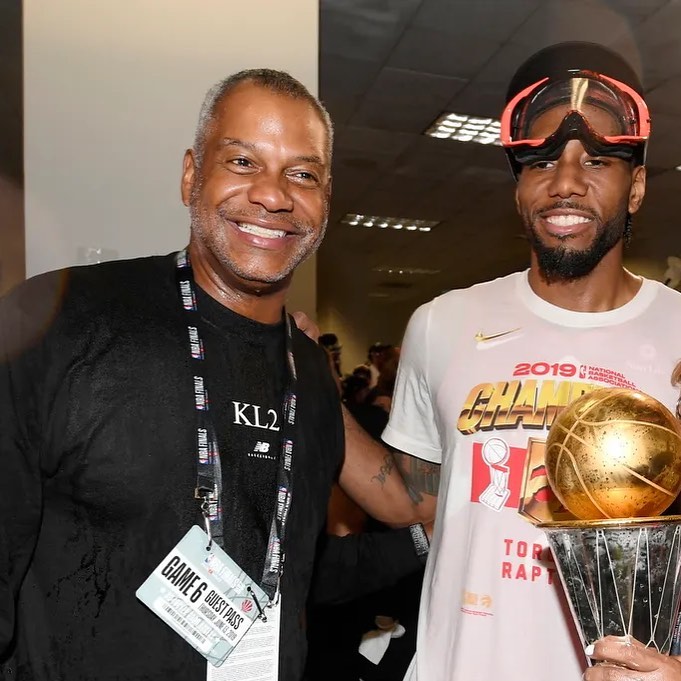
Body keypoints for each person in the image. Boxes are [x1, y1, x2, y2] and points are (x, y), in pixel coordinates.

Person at [0, 69, 423, 681]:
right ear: (191, 175)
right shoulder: (64, 320)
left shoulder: (308, 371)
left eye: (303, 174)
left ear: (325, 200)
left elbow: (292, 568)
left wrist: (440, 535)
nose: (273, 196)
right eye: (243, 162)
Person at [342, 42, 681, 681]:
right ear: (518, 188)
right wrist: (302, 376)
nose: (566, 183)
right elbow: (416, 501)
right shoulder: (442, 324)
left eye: (597, 161)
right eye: (543, 162)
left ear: (636, 188)